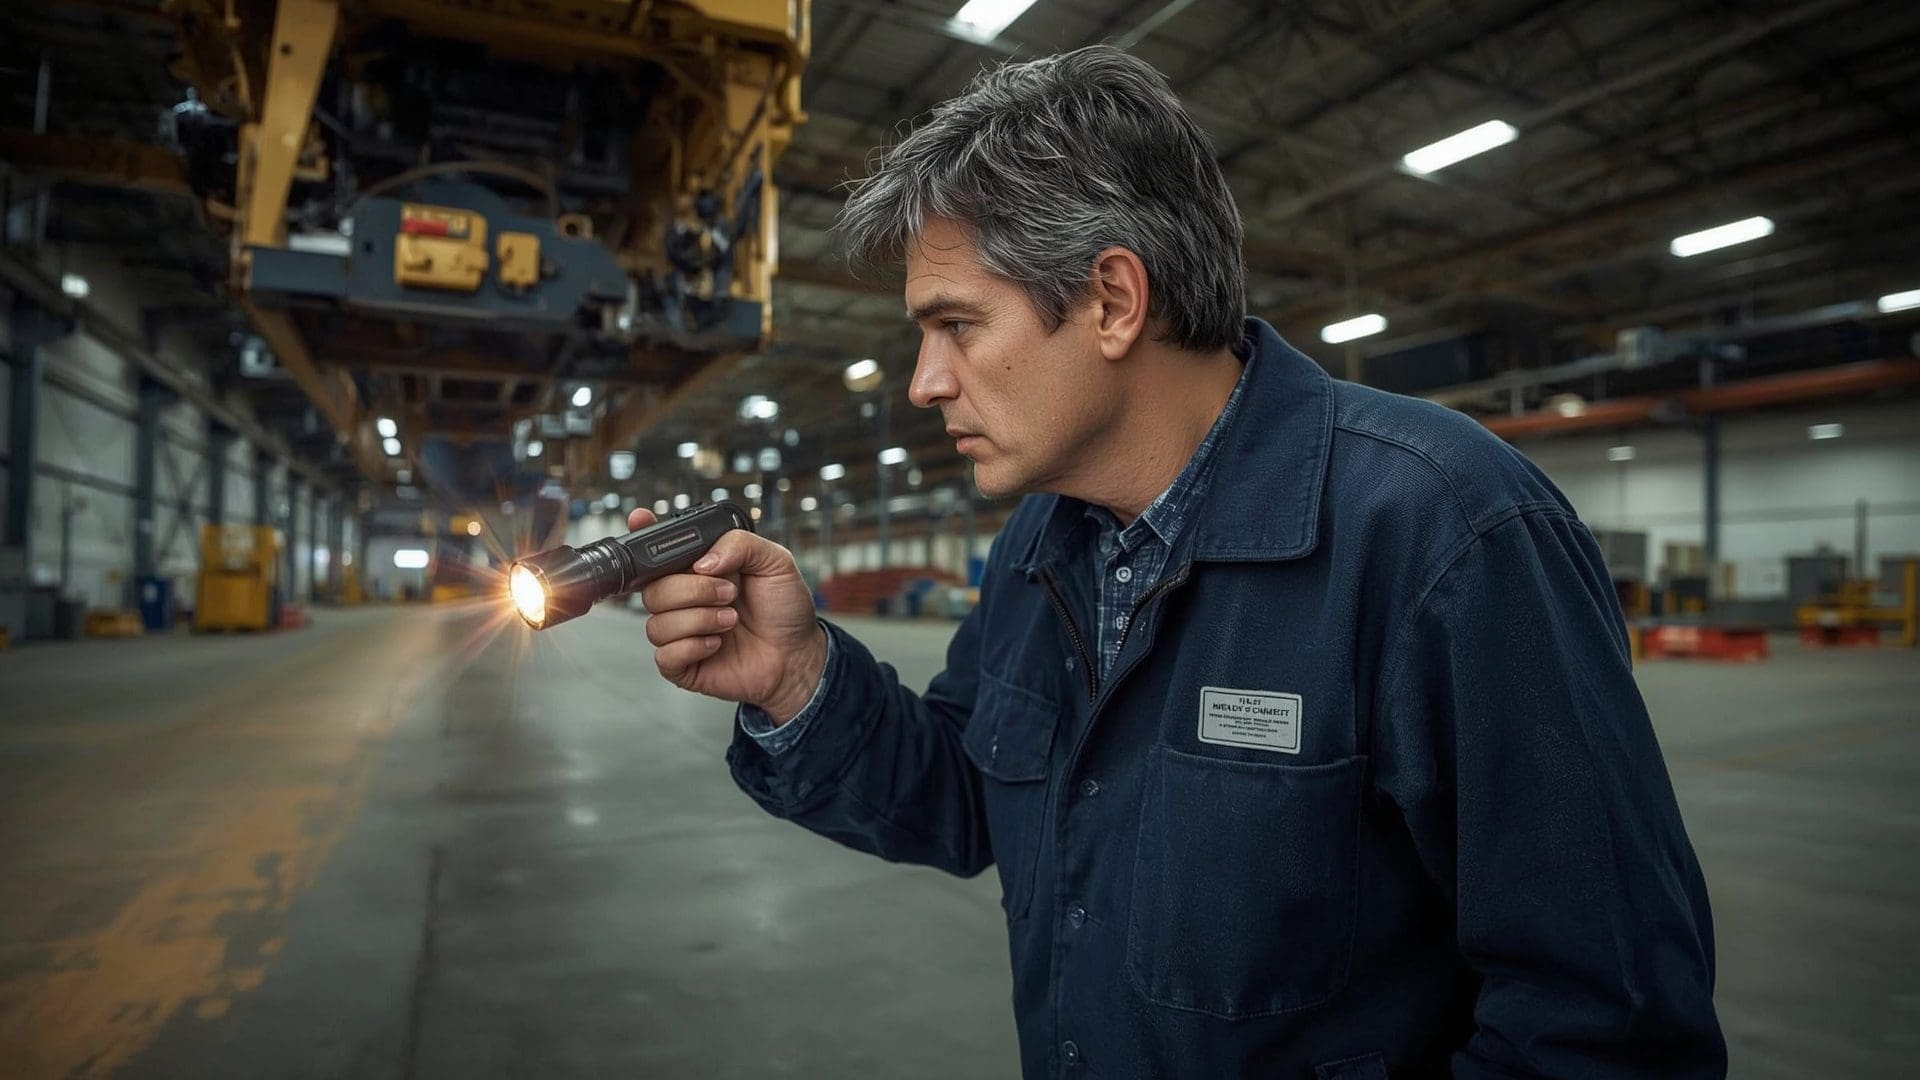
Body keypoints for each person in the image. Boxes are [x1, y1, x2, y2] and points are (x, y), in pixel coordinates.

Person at [628, 45, 1724, 1079]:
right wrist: (795, 679)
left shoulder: (1441, 528)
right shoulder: (1045, 542)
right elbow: (973, 800)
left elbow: (1605, 1021)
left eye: (956, 326)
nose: (924, 381)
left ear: (1112, 299)